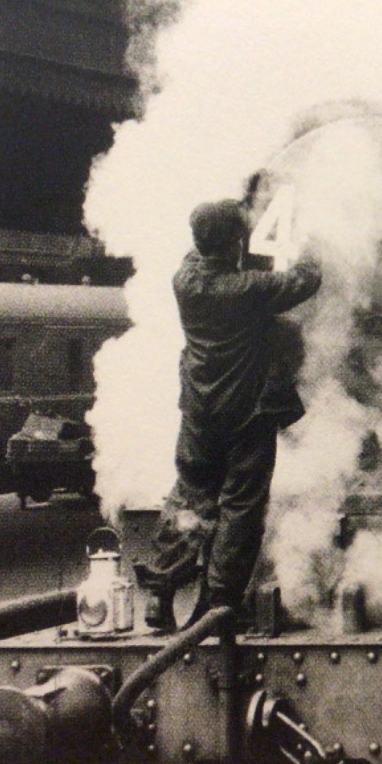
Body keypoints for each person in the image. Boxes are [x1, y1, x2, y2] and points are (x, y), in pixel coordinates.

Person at [145, 199, 321, 627]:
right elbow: (305, 280)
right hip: (246, 413)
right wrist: (308, 237)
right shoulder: (248, 289)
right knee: (241, 505)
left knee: (190, 494)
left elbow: (206, 249)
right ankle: (221, 601)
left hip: (198, 411)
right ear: (235, 243)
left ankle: (161, 590)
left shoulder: (183, 279)